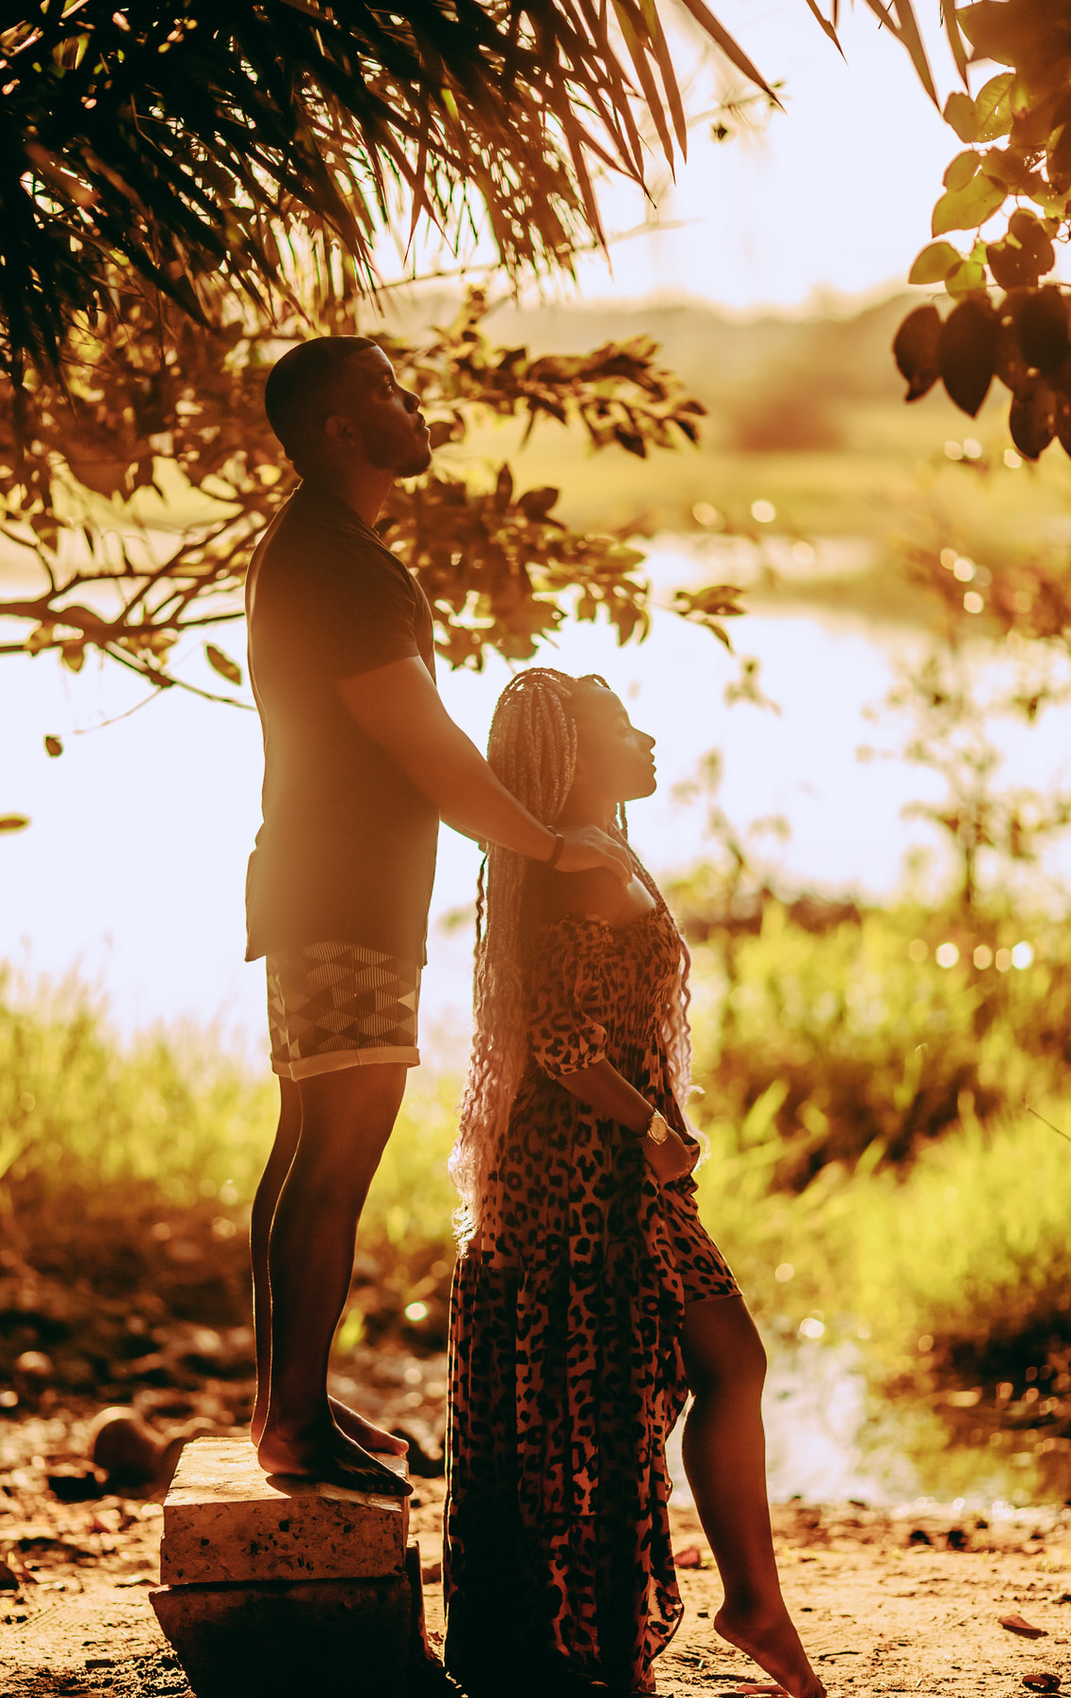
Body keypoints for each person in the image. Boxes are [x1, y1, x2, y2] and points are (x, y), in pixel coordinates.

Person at [244, 337, 631, 1497]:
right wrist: (550, 842)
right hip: (345, 894)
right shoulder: (338, 564)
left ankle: (285, 1407)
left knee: (306, 1146)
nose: (410, 402)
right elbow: (426, 745)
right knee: (334, 1152)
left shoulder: (324, 548)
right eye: (382, 390)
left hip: (322, 884)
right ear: (338, 432)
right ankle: (290, 1425)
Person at [444, 669, 826, 1698]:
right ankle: (736, 1606)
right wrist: (654, 1130)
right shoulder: (577, 869)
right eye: (621, 728)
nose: (647, 740)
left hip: (610, 1171)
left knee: (660, 1381)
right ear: (571, 755)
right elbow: (564, 1042)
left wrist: (654, 1134)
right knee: (706, 1367)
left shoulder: (587, 854)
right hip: (587, 1179)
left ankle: (744, 1604)